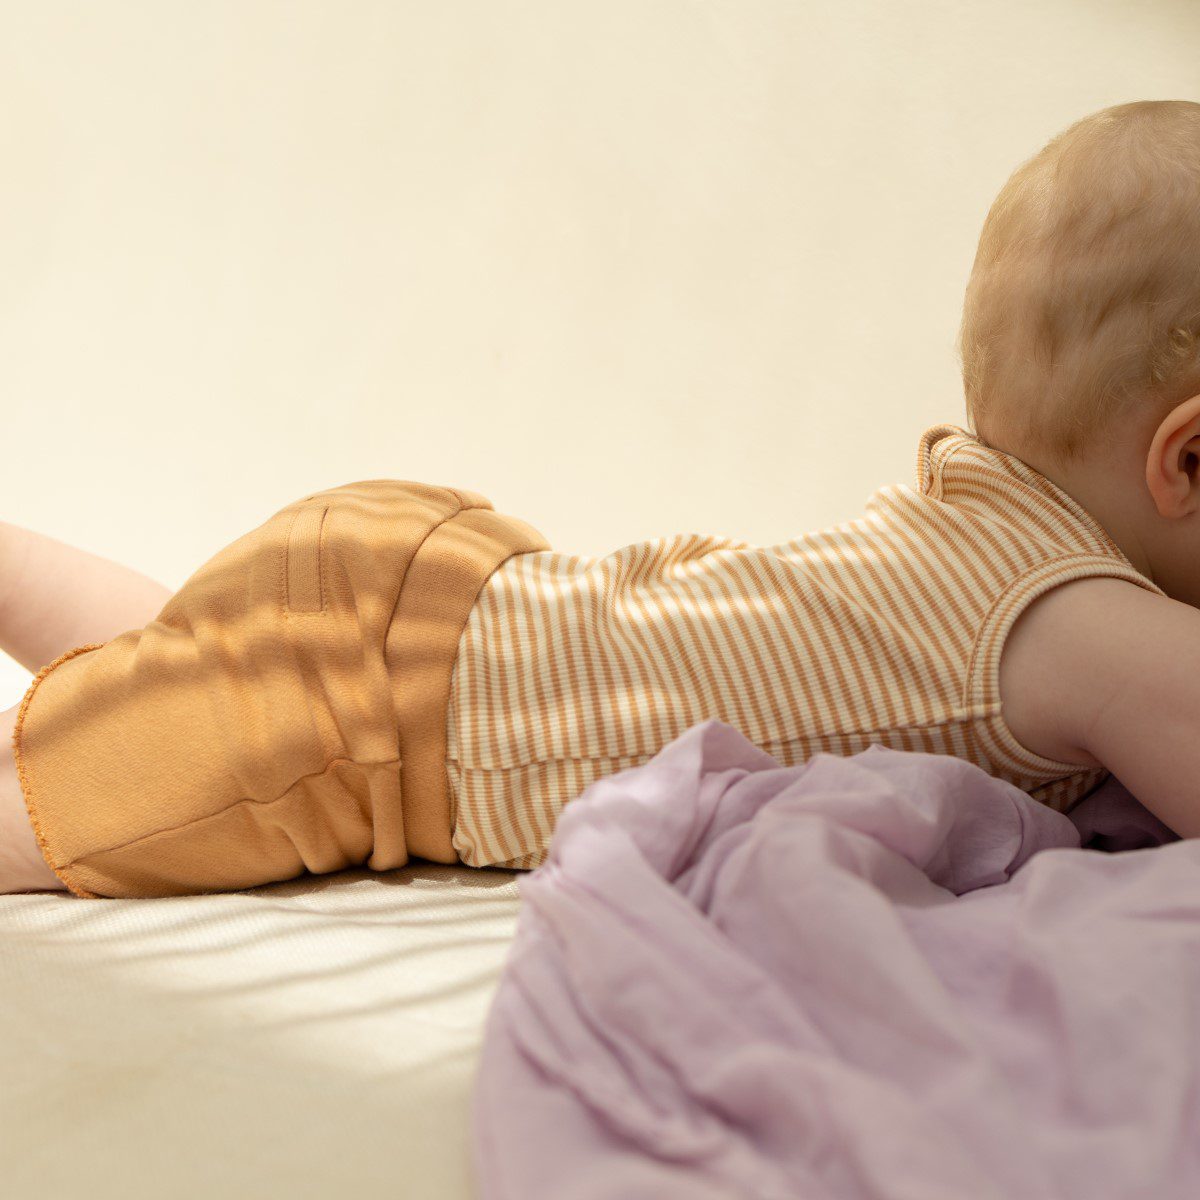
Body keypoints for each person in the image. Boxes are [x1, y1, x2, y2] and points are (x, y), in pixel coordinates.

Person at [3, 98, 1200, 900]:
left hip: (434, 588)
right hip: (392, 720)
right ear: (1187, 462)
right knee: (85, 817)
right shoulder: (1095, 628)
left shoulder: (984, 519)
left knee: (165, 671)